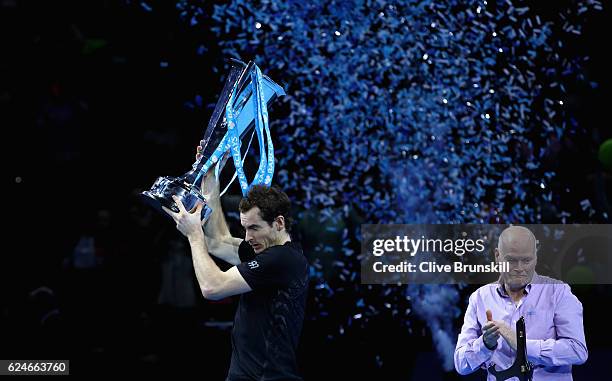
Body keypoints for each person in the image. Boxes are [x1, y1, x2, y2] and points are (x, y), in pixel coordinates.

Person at [163, 145, 308, 381]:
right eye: (245, 228)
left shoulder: (283, 259)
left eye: (255, 228)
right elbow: (218, 240)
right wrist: (211, 174)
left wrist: (194, 235)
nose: (248, 237)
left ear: (279, 223)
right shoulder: (267, 253)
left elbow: (213, 287)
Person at [454, 226, 588, 380]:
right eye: (511, 260)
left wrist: (521, 344)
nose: (519, 268)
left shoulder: (558, 292)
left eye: (526, 260)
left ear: (535, 257)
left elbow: (578, 351)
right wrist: (485, 344)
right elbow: (461, 363)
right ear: (497, 256)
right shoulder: (480, 298)